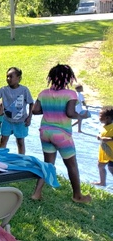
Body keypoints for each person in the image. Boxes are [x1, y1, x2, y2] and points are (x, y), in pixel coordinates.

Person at [31, 64, 91, 203]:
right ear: (67, 79)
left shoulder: (43, 93)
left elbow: (35, 111)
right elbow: (70, 113)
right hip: (62, 135)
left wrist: (49, 110)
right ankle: (77, 196)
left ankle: (37, 193)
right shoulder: (70, 94)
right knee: (71, 165)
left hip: (45, 132)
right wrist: (82, 116)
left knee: (48, 164)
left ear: (51, 78)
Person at [91, 106, 113, 186]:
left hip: (111, 153)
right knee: (100, 166)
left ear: (107, 118)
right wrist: (99, 136)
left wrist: (106, 138)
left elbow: (109, 137)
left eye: (100, 116)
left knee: (111, 168)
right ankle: (102, 182)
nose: (99, 117)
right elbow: (103, 134)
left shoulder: (112, 127)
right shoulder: (104, 126)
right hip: (104, 152)